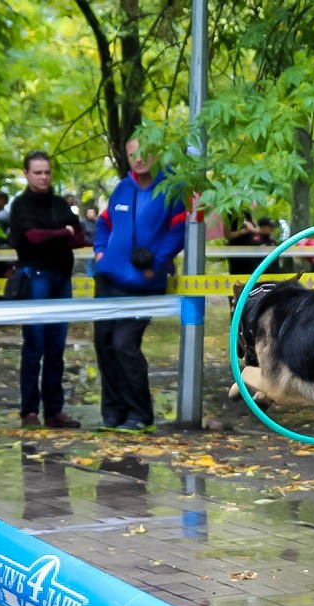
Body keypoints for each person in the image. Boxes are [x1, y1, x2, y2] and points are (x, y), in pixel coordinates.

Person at [93, 138, 187, 433]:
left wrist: (156, 264)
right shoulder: (122, 187)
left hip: (142, 286)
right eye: (132, 154)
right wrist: (100, 252)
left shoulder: (171, 188)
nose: (138, 159)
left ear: (156, 153)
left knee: (124, 346)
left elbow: (178, 231)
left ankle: (140, 415)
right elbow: (104, 222)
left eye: (143, 153)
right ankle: (113, 414)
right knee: (105, 345)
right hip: (108, 281)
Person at [8, 151, 86, 428]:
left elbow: (80, 237)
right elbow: (32, 237)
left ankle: (54, 411)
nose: (43, 177)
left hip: (61, 279)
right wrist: (61, 234)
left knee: (56, 348)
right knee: (34, 346)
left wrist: (59, 236)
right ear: (27, 174)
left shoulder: (59, 204)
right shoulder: (21, 206)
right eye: (38, 172)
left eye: (47, 172)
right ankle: (29, 411)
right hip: (35, 279)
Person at [225, 211, 278, 275]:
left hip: (249, 250)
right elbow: (228, 235)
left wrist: (266, 236)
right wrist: (241, 232)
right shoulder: (228, 215)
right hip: (236, 252)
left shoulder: (247, 212)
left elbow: (257, 228)